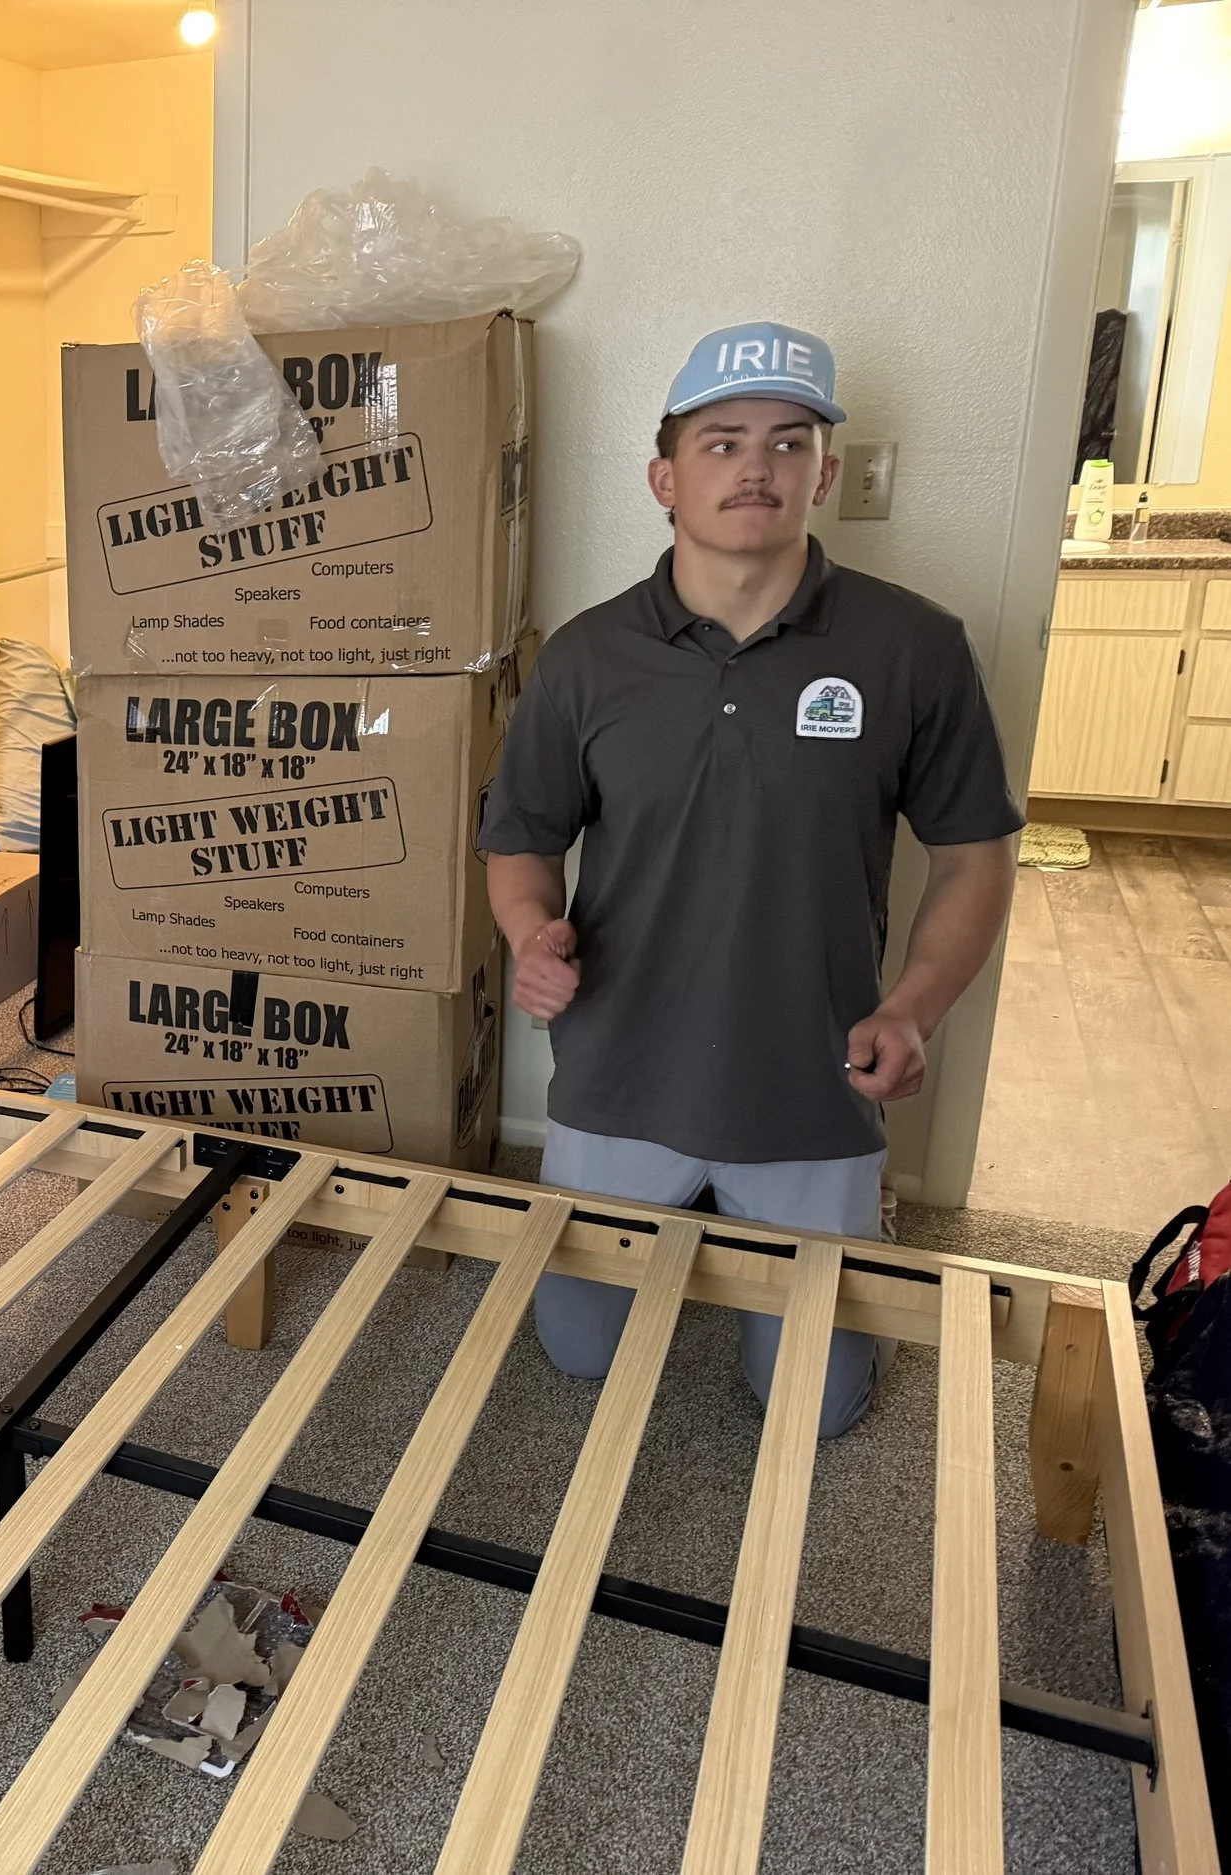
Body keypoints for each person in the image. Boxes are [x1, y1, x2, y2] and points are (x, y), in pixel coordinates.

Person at [480, 320, 1021, 1437]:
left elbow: (974, 856)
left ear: (823, 473)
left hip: (814, 1081)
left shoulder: (912, 647)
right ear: (662, 477)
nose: (755, 467)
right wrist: (532, 933)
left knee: (812, 1411)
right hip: (620, 1069)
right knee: (577, 1357)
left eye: (787, 441)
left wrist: (913, 1012)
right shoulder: (585, 657)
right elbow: (518, 842)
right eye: (720, 442)